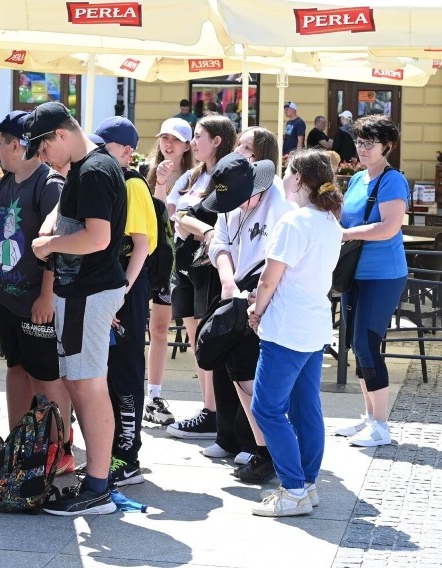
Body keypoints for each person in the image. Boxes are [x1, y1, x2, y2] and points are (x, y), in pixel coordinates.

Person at [27, 101, 128, 516]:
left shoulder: (95, 171)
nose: (42, 157)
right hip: (80, 290)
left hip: (89, 290)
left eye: (43, 148)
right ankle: (98, 477)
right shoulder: (85, 168)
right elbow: (68, 212)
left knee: (88, 386)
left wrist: (48, 245)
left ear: (61, 136)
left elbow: (97, 237)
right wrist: (51, 228)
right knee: (79, 383)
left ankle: (99, 487)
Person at [248, 148, 344, 517]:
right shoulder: (328, 220)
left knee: (268, 409)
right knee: (307, 409)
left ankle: (293, 489)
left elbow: (270, 277)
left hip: (287, 326)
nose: (284, 179)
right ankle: (306, 484)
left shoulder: (296, 222)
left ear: (300, 179)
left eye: (288, 172)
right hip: (313, 322)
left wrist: (256, 311)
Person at [0, 110, 75, 475]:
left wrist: (48, 295)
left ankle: (62, 449)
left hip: (36, 299)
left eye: (1, 142)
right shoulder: (6, 182)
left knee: (46, 376)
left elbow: (58, 242)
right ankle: (17, 442)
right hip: (7, 298)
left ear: (18, 145)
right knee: (16, 367)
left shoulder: (49, 183)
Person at [201, 128, 294, 484]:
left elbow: (280, 259)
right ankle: (261, 449)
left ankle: (272, 452)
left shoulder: (278, 204)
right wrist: (227, 279)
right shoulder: (230, 198)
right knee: (238, 372)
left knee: (257, 379)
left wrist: (260, 297)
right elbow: (219, 242)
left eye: (243, 201)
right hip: (236, 289)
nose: (238, 208)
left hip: (268, 294)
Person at [335, 114, 409, 447]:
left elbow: (390, 227)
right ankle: (369, 418)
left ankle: (381, 426)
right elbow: (341, 216)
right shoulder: (356, 179)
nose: (362, 149)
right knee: (355, 343)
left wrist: (346, 233)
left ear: (387, 146)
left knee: (367, 343)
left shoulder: (393, 181)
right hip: (355, 272)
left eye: (370, 143)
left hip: (383, 274)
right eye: (359, 142)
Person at [92, 116, 157, 487]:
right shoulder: (113, 180)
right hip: (115, 288)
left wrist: (122, 294)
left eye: (107, 147)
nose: (100, 152)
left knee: (126, 373)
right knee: (110, 371)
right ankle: (115, 449)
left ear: (127, 151)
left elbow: (142, 246)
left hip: (126, 291)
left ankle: (128, 455)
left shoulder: (132, 185)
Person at [165, 114, 236, 440]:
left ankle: (215, 412)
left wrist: (189, 221)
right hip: (185, 261)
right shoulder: (194, 175)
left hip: (210, 265)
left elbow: (202, 216)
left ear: (216, 140)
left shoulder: (225, 176)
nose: (193, 142)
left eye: (198, 136)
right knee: (196, 340)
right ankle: (208, 408)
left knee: (210, 340)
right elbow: (173, 211)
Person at [143, 118, 194, 426]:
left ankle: (156, 395)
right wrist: (158, 182)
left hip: (177, 262)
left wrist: (163, 185)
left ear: (187, 145)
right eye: (164, 137)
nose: (168, 143)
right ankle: (145, 395)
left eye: (175, 139)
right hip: (146, 258)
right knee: (146, 329)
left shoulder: (194, 177)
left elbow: (168, 215)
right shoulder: (144, 171)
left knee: (173, 329)